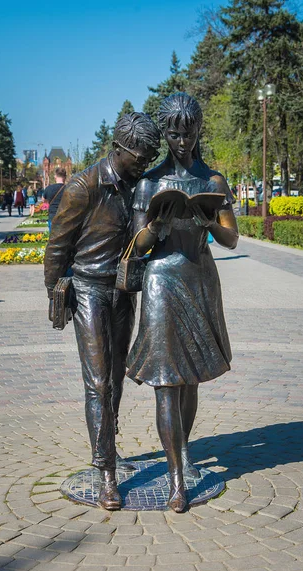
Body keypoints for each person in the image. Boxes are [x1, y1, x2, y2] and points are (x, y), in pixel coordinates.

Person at [126, 93, 239, 513]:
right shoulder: (149, 183)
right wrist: (156, 225)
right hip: (161, 280)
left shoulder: (213, 181)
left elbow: (231, 239)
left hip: (199, 277)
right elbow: (136, 247)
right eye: (173, 132)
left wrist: (210, 221)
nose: (181, 140)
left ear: (197, 130)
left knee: (190, 377)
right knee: (166, 379)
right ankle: (176, 480)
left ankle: (185, 451)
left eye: (188, 131)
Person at [44, 113, 160, 510]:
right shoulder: (83, 187)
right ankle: (106, 472)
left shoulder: (138, 185)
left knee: (116, 375)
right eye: (139, 158)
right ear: (119, 149)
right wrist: (55, 293)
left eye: (147, 160)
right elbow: (57, 246)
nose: (143, 166)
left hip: (123, 290)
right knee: (98, 383)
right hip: (90, 290)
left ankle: (108, 444)